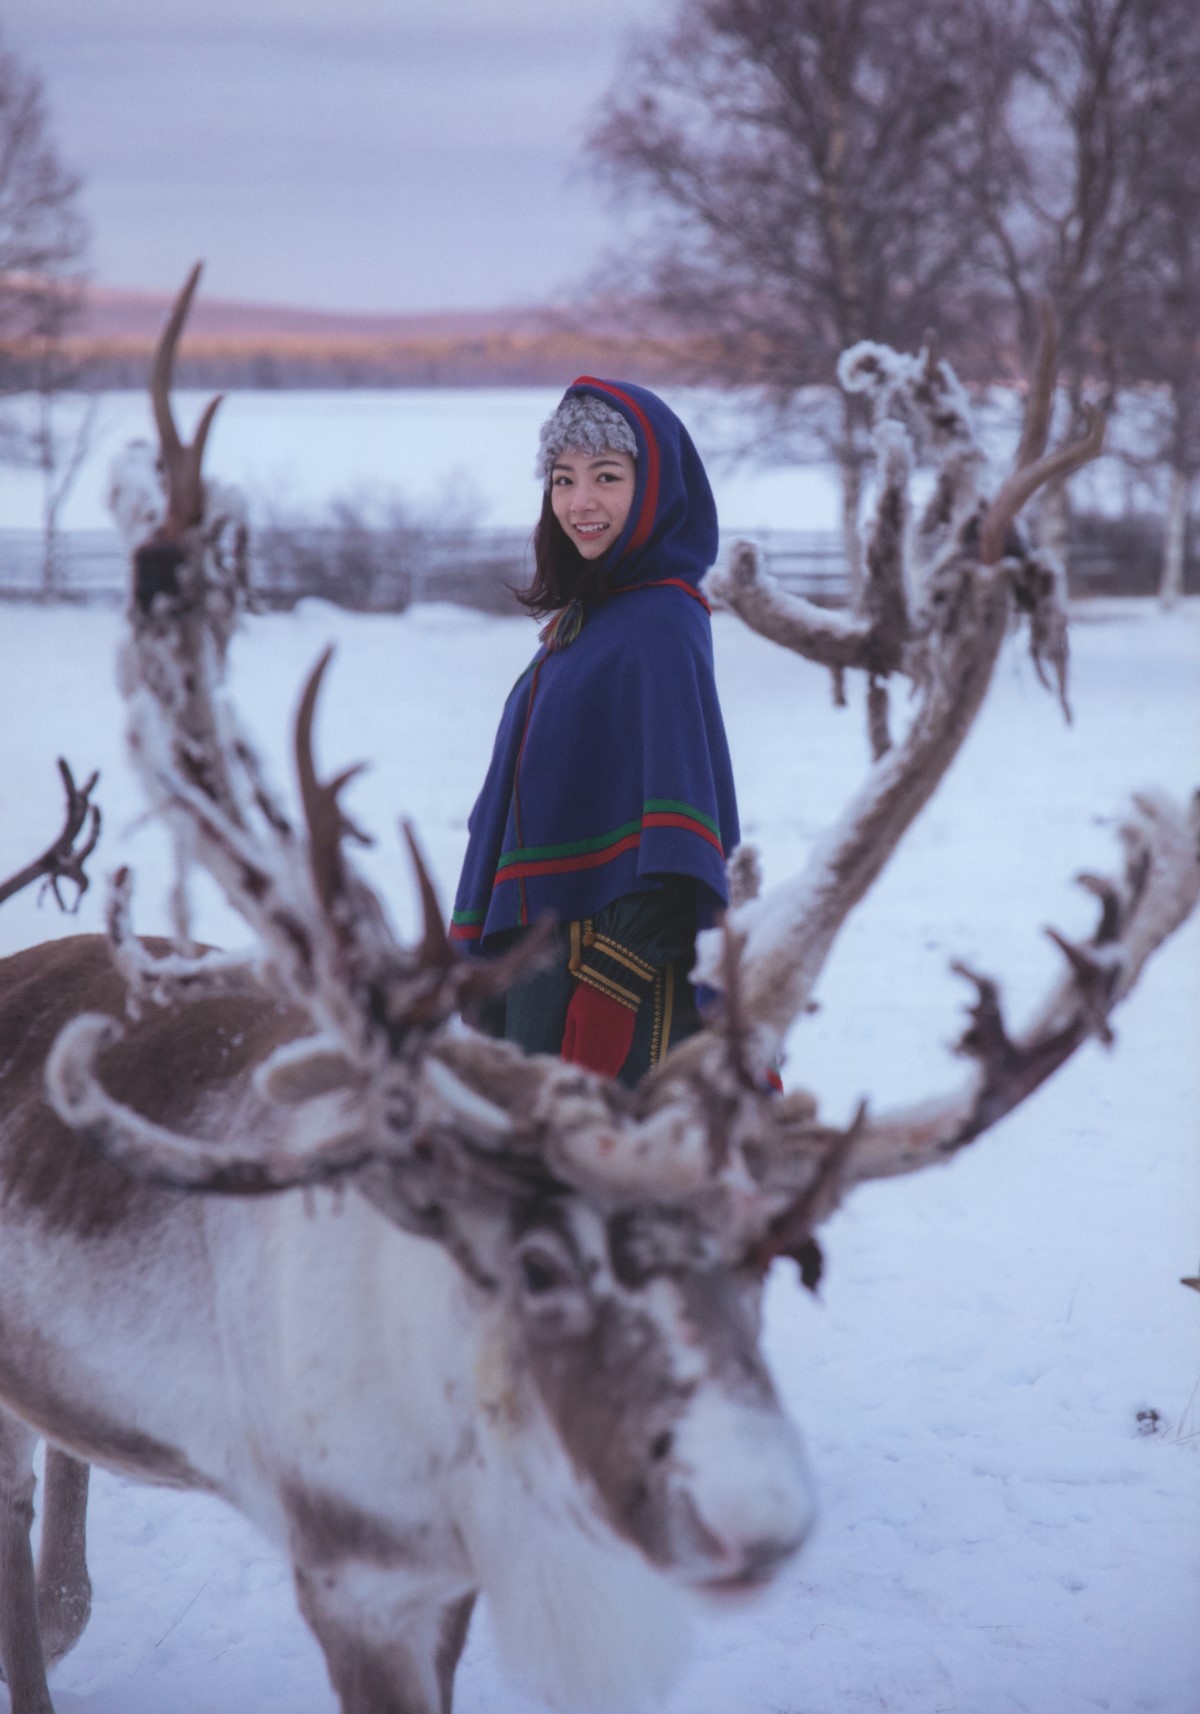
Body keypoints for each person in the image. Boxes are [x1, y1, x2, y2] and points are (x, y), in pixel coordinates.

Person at [450, 377, 739, 1087]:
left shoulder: (660, 625)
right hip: (546, 965)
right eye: (563, 479)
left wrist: (612, 983)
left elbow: (676, 832)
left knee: (608, 1176)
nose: (581, 502)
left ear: (654, 487)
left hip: (613, 978)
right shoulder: (590, 622)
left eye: (607, 477)